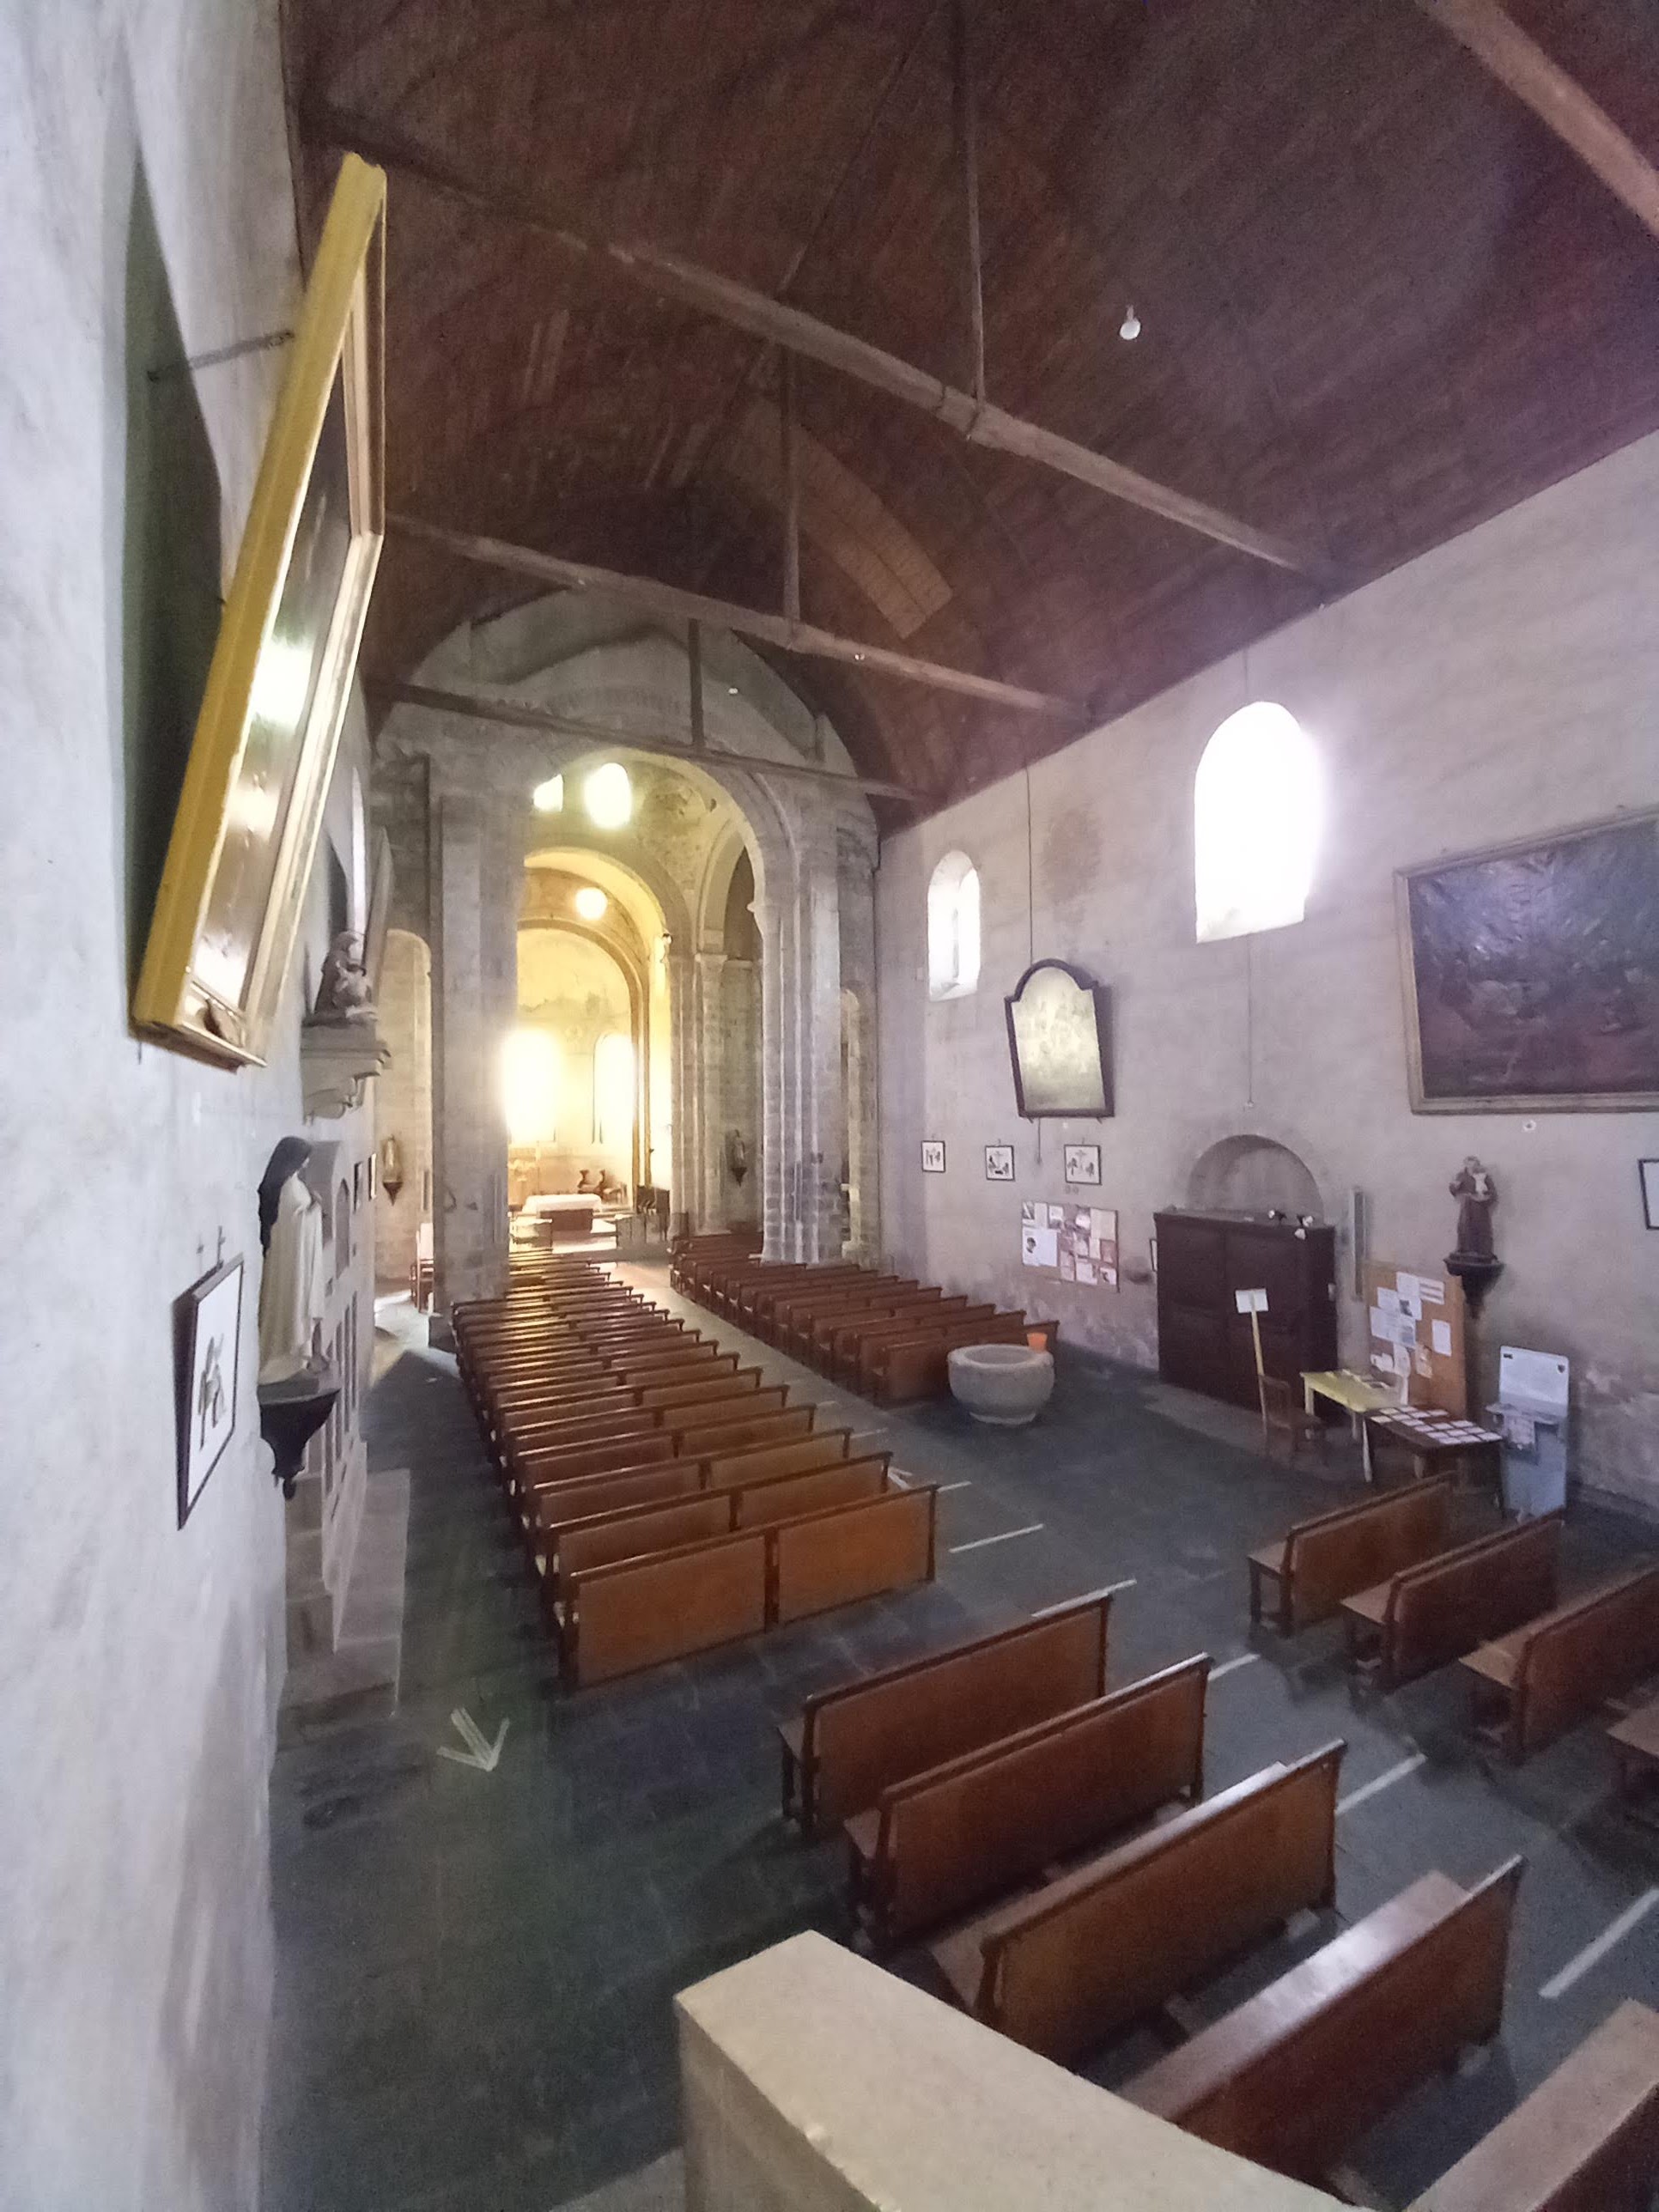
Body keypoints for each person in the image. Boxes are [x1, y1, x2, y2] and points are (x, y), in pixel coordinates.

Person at [1449, 1155, 1496, 1261]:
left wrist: (1485, 1197)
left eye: (1475, 1164)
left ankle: (1482, 1252)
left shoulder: (1484, 1176)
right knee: (1464, 1228)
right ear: (1466, 1165)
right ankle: (1464, 1250)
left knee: (1481, 1228)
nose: (1473, 1167)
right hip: (1467, 1206)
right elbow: (1453, 1189)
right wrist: (1455, 1187)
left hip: (1480, 1208)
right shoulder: (1461, 1176)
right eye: (1470, 1164)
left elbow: (1493, 1193)